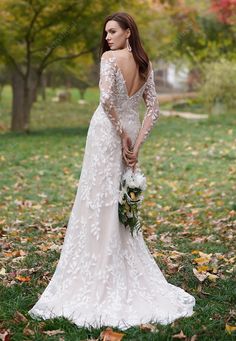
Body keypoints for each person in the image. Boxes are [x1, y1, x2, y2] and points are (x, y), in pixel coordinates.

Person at [28, 12, 195, 330]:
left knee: (101, 198)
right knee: (119, 200)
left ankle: (97, 272)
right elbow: (153, 109)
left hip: (108, 132)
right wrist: (136, 143)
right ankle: (113, 263)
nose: (107, 37)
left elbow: (106, 100)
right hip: (129, 129)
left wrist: (122, 137)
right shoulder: (146, 64)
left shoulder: (109, 58)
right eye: (106, 32)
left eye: (113, 31)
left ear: (128, 32)